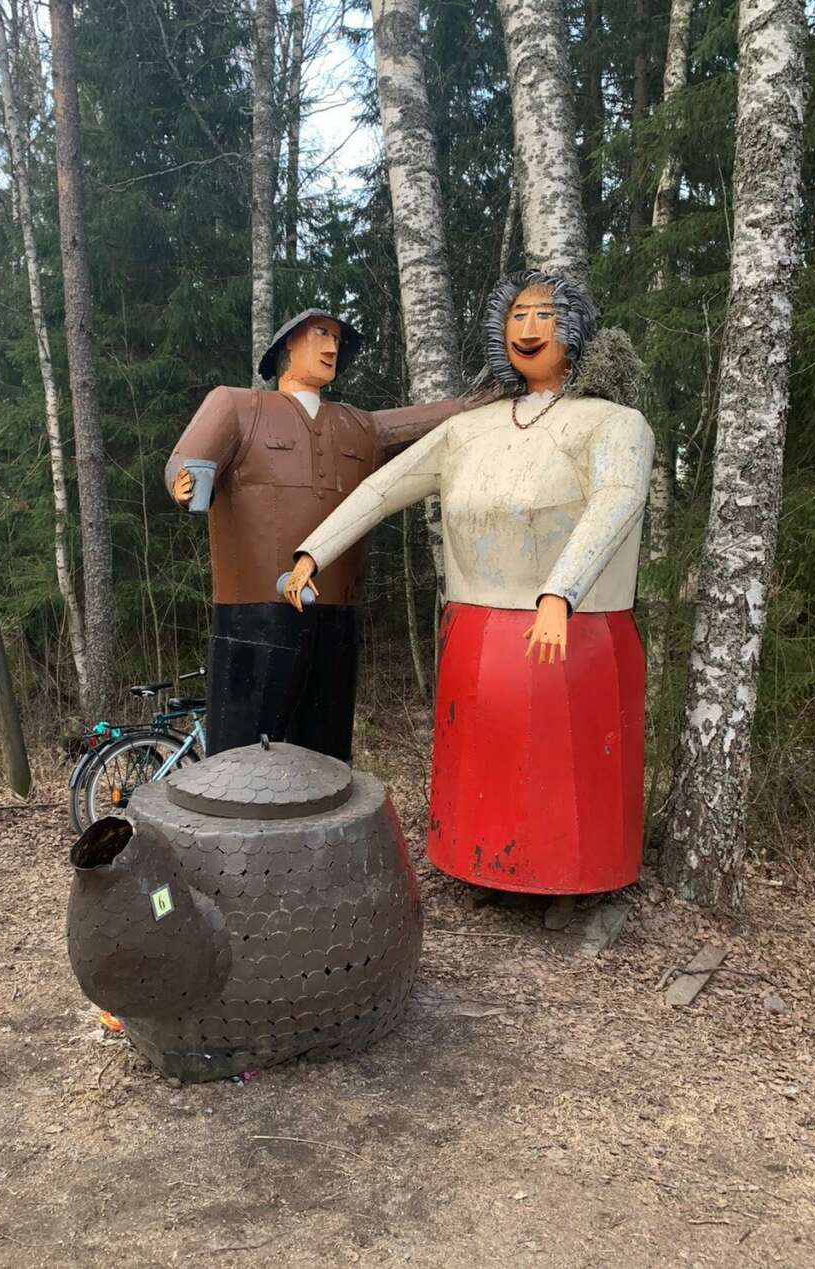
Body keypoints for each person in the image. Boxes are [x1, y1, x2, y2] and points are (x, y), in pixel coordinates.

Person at [283, 273, 654, 926]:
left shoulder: (614, 423)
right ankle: (486, 865)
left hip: (574, 632)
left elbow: (617, 501)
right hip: (477, 634)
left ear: (576, 329)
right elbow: (383, 488)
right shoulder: (467, 431)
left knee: (562, 766)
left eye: (544, 314)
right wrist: (314, 551)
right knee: (488, 759)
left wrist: (559, 592)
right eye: (517, 315)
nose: (528, 329)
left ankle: (568, 882)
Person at [166, 309, 473, 759]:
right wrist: (184, 481)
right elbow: (188, 459)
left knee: (326, 750)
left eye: (337, 339)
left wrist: (483, 400)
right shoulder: (237, 406)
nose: (332, 347)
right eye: (321, 335)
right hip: (253, 614)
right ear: (287, 344)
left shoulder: (360, 425)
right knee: (243, 750)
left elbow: (423, 419)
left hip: (338, 614)